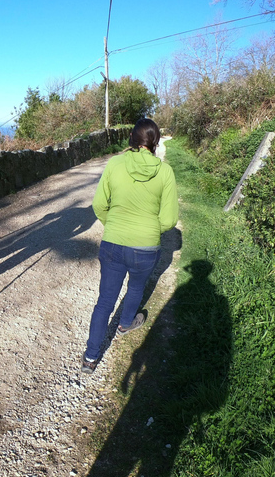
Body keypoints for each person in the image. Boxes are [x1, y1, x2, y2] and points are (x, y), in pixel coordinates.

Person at [82, 118, 178, 373]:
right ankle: (125, 323)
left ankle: (91, 357)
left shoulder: (115, 163)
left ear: (132, 140)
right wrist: (147, 231)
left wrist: (113, 224)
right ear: (155, 142)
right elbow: (168, 220)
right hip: (146, 248)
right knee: (136, 287)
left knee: (104, 301)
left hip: (113, 242)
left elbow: (99, 205)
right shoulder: (165, 171)